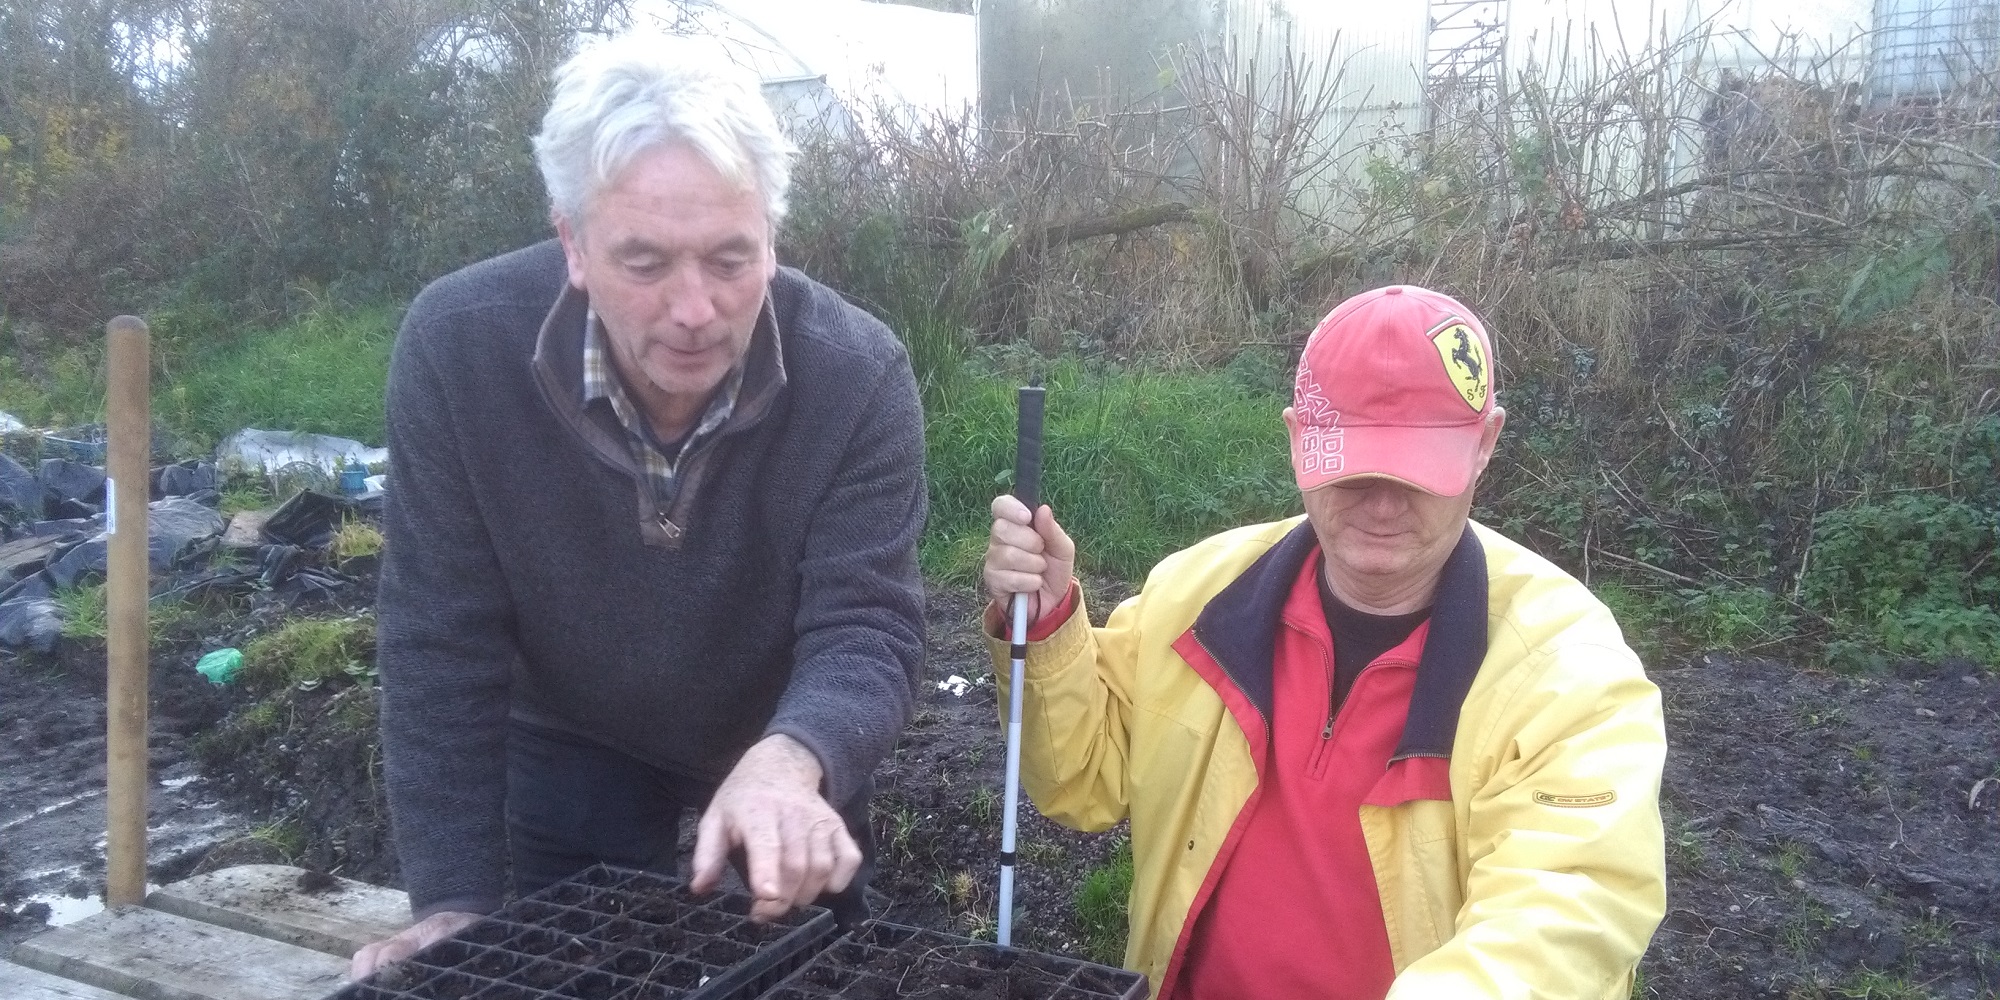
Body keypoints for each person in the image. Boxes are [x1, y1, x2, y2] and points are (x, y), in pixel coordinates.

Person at [350, 34, 927, 978]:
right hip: (572, 727)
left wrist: (797, 756)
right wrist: (453, 902)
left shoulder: (857, 378)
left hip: (782, 730)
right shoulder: (459, 351)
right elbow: (439, 640)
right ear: (572, 242)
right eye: (647, 263)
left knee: (800, 972)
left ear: (772, 236)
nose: (695, 309)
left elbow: (867, 625)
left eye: (731, 259)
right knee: (571, 972)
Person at [982, 285, 1666, 999]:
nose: (1380, 500)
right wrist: (1051, 625)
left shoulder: (1570, 672)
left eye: (1416, 468)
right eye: (1353, 462)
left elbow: (1566, 912)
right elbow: (1081, 782)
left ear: (1486, 443)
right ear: (1296, 439)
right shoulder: (1196, 595)